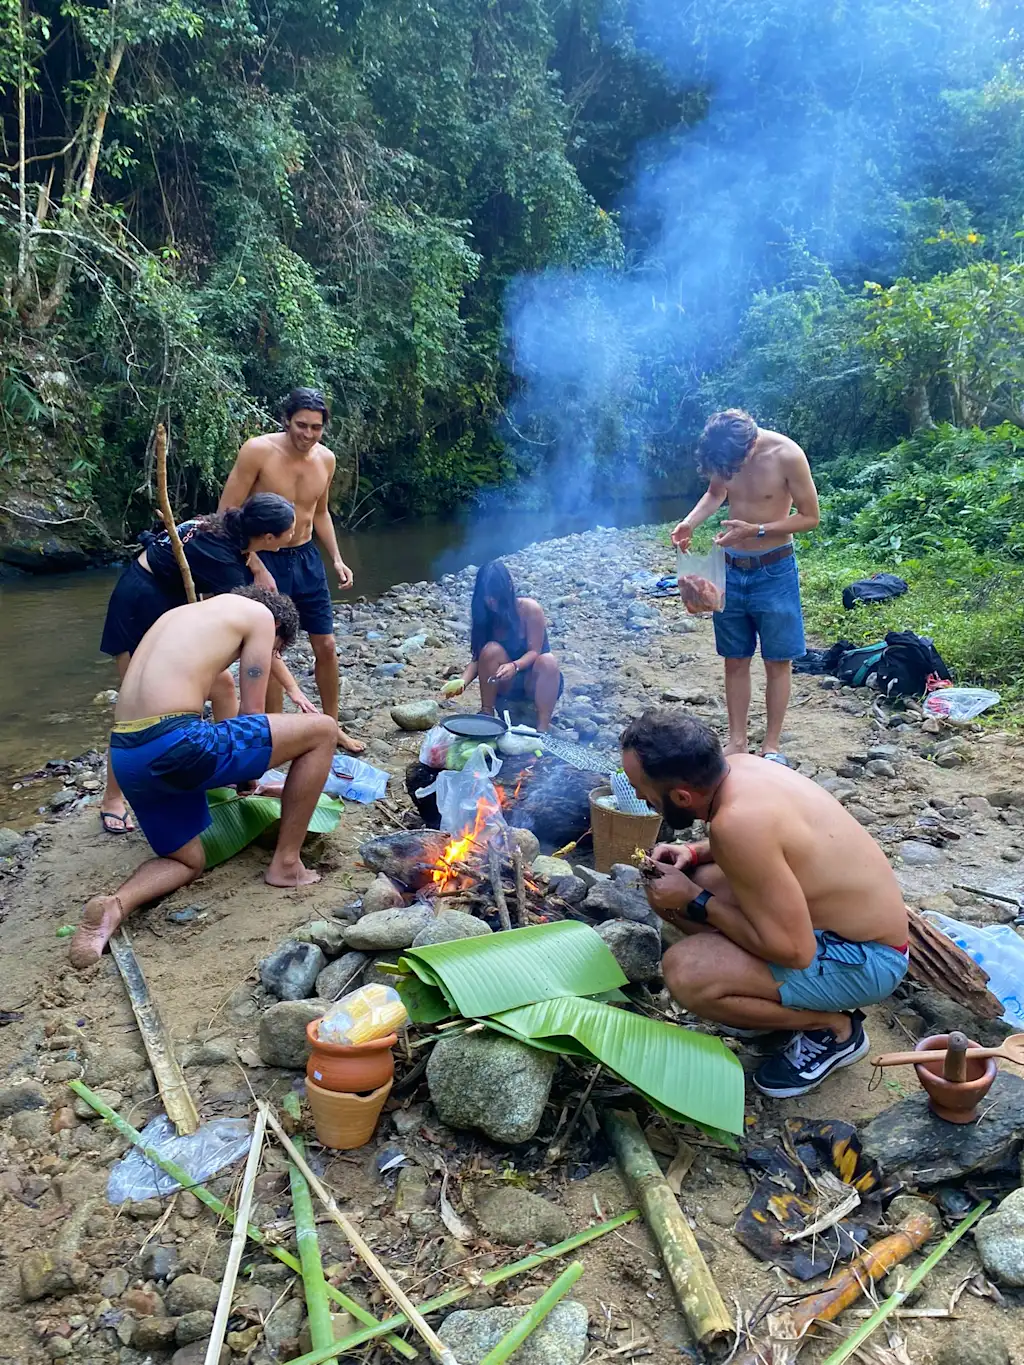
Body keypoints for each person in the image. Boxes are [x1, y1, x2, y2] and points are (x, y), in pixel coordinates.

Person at [620, 708, 909, 1098]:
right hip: (837, 928)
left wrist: (694, 898)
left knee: (687, 971)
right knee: (691, 879)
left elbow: (794, 951)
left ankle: (834, 1030)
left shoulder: (737, 825)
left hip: (869, 960)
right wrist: (693, 851)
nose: (638, 796)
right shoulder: (739, 768)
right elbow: (775, 846)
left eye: (643, 789)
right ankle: (764, 1000)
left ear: (682, 796)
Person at [70, 588, 338, 970]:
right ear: (278, 629)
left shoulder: (181, 615)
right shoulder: (261, 617)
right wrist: (250, 777)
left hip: (128, 756)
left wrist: (240, 772)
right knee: (323, 730)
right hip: (174, 744)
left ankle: (114, 907)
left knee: (187, 861)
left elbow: (222, 696)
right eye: (276, 650)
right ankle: (286, 865)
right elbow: (252, 714)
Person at [97, 494, 312, 834]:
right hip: (139, 604)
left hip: (167, 602)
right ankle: (112, 798)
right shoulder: (226, 566)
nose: (295, 535)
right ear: (268, 537)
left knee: (224, 685)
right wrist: (291, 686)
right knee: (135, 707)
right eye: (289, 532)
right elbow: (262, 643)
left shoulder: (232, 528)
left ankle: (228, 772)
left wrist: (256, 563)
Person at [219, 388, 363, 755]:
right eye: (301, 425)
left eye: (316, 427)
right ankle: (274, 732)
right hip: (267, 557)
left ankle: (332, 727)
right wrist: (252, 561)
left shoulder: (326, 460)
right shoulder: (258, 451)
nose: (308, 434)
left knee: (327, 646)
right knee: (268, 650)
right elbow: (227, 512)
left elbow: (320, 513)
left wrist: (336, 558)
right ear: (286, 420)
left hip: (306, 557)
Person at [672, 409, 820, 765]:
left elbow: (810, 517)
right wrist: (689, 522)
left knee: (776, 659)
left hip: (774, 569)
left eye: (735, 465)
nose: (730, 472)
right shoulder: (725, 455)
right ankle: (737, 742)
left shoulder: (787, 455)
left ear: (751, 444)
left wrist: (757, 530)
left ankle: (771, 746)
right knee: (735, 658)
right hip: (731, 568)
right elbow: (714, 493)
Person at [443, 560, 563, 730]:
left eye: (495, 595)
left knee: (548, 661)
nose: (491, 602)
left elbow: (534, 651)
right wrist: (462, 681)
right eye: (487, 597)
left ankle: (542, 729)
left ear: (508, 588)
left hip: (534, 681)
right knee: (491, 650)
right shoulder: (485, 616)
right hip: (505, 685)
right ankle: (487, 714)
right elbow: (478, 658)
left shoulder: (529, 609)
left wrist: (515, 666)